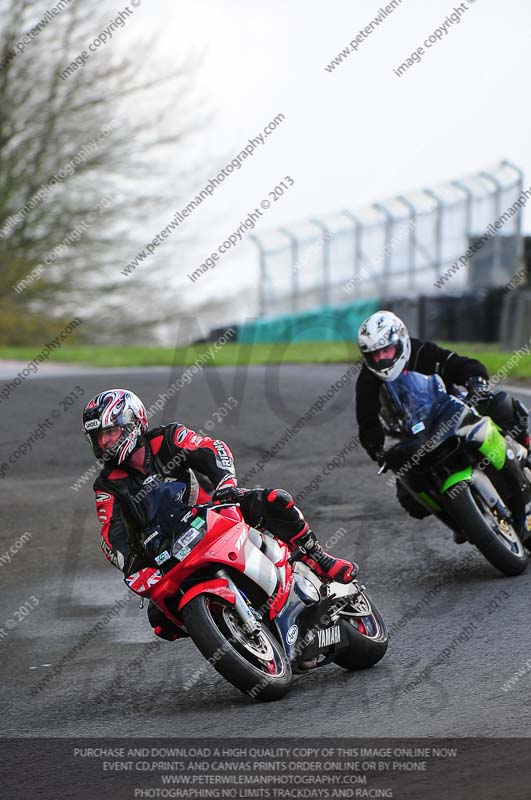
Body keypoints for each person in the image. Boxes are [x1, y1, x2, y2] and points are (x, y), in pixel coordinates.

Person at [82, 389, 357, 640]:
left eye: (111, 432)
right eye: (98, 437)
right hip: (168, 546)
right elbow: (111, 534)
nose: (104, 442)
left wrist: (225, 485)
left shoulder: (167, 438)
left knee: (274, 500)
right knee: (161, 623)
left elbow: (212, 449)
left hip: (216, 511)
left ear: (133, 423)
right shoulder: (106, 485)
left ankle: (318, 557)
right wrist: (134, 568)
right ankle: (228, 627)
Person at [355, 310, 530, 524]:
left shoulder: (421, 351)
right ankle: (463, 521)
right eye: (375, 355)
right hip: (412, 437)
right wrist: (378, 450)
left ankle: (527, 450)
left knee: (499, 403)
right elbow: (367, 422)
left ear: (400, 341)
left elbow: (458, 364)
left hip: (451, 411)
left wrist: (475, 381)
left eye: (386, 350)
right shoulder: (367, 380)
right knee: (411, 502)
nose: (382, 358)